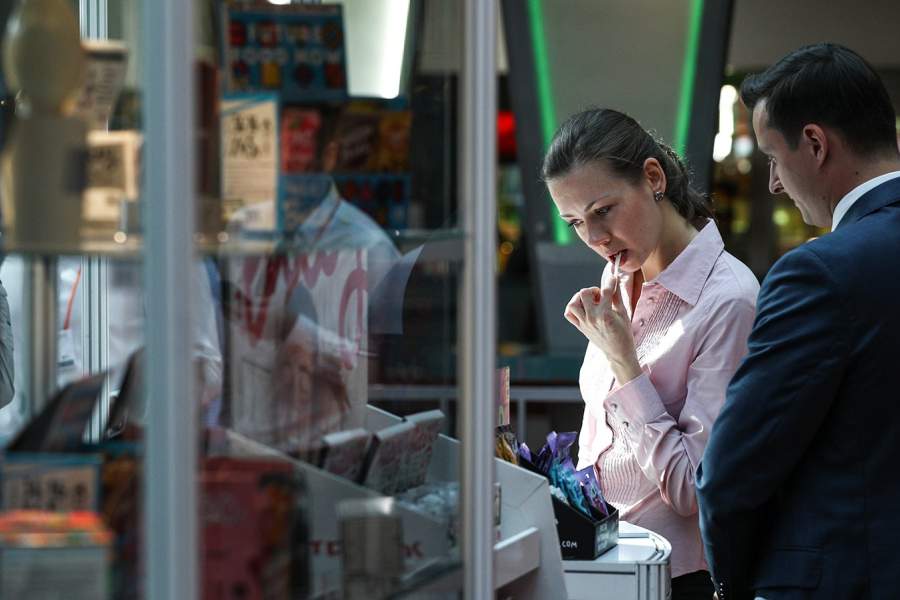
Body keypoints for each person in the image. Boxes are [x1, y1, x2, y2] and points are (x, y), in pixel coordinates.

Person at [696, 43, 900, 600]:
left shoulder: (819, 273)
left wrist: (733, 583)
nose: (772, 183)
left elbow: (734, 470)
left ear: (814, 143)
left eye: (771, 157)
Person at [543, 108, 758, 600]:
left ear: (654, 178)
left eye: (603, 211)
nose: (594, 238)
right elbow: (600, 443)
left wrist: (626, 364)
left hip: (676, 578)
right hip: (601, 561)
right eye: (575, 223)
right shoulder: (617, 275)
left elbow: (693, 489)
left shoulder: (729, 299)